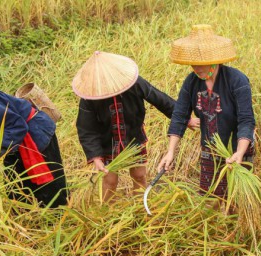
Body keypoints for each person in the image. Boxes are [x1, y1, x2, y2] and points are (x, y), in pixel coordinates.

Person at [73, 51, 197, 203]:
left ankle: (139, 208)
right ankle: (106, 214)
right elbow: (86, 129)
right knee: (110, 181)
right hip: (107, 143)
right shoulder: (90, 96)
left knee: (139, 175)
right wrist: (96, 157)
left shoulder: (133, 83)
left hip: (133, 137)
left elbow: (159, 98)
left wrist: (185, 119)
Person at [157, 24, 255, 199]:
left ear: (216, 60)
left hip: (237, 148)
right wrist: (170, 151)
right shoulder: (191, 82)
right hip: (209, 148)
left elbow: (246, 120)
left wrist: (239, 152)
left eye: (202, 63)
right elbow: (180, 116)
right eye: (194, 63)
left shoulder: (237, 80)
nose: (197, 68)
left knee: (235, 200)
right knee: (211, 199)